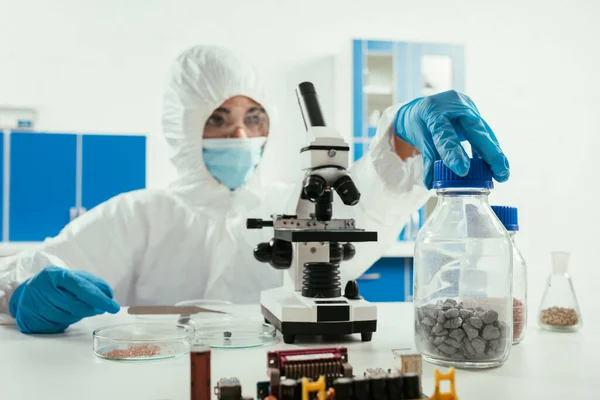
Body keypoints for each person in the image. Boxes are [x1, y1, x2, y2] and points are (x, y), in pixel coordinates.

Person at [0, 46, 509, 334]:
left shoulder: (292, 203)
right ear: (184, 127)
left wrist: (397, 134)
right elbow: (24, 279)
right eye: (218, 119)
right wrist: (22, 296)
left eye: (254, 117)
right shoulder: (137, 214)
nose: (240, 135)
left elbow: (369, 206)